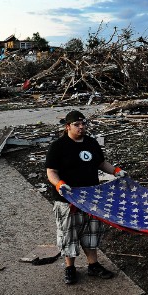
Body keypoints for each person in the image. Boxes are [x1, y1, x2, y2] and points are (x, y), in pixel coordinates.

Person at [46, 110, 129, 285]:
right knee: (69, 234)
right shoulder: (58, 146)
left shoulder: (91, 143)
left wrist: (115, 171)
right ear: (68, 126)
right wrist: (59, 184)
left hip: (91, 197)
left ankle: (93, 265)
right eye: (77, 125)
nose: (81, 127)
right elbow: (51, 172)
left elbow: (100, 163)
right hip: (68, 200)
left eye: (83, 124)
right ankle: (70, 268)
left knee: (92, 233)